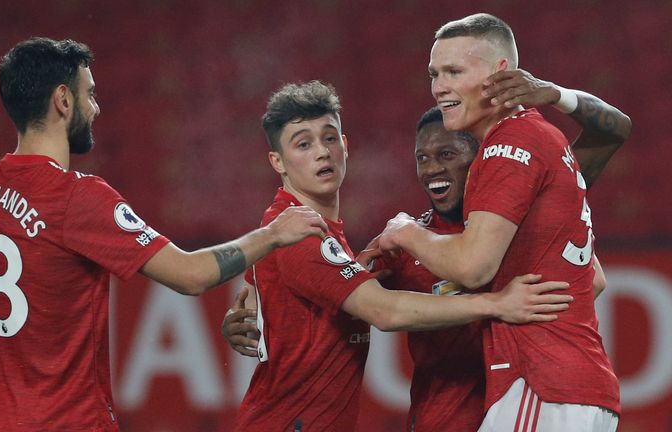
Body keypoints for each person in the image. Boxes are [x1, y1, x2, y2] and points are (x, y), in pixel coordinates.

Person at [0, 37, 331, 432]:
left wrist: (18, 378)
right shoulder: (77, 197)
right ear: (63, 100)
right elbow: (190, 274)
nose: (96, 108)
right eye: (89, 94)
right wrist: (272, 234)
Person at [223, 69, 629, 431]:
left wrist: (556, 94)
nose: (433, 167)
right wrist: (252, 312)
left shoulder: (523, 219)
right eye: (423, 157)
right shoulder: (396, 243)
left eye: (448, 154)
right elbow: (376, 304)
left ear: (484, 161)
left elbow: (592, 277)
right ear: (277, 160)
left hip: (521, 402)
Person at [377, 13, 631, 431]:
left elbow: (473, 265)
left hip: (539, 381)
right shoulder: (540, 137)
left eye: (455, 71)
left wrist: (405, 231)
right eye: (434, 74)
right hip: (570, 386)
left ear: (501, 74)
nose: (440, 86)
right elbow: (593, 279)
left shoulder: (509, 145)